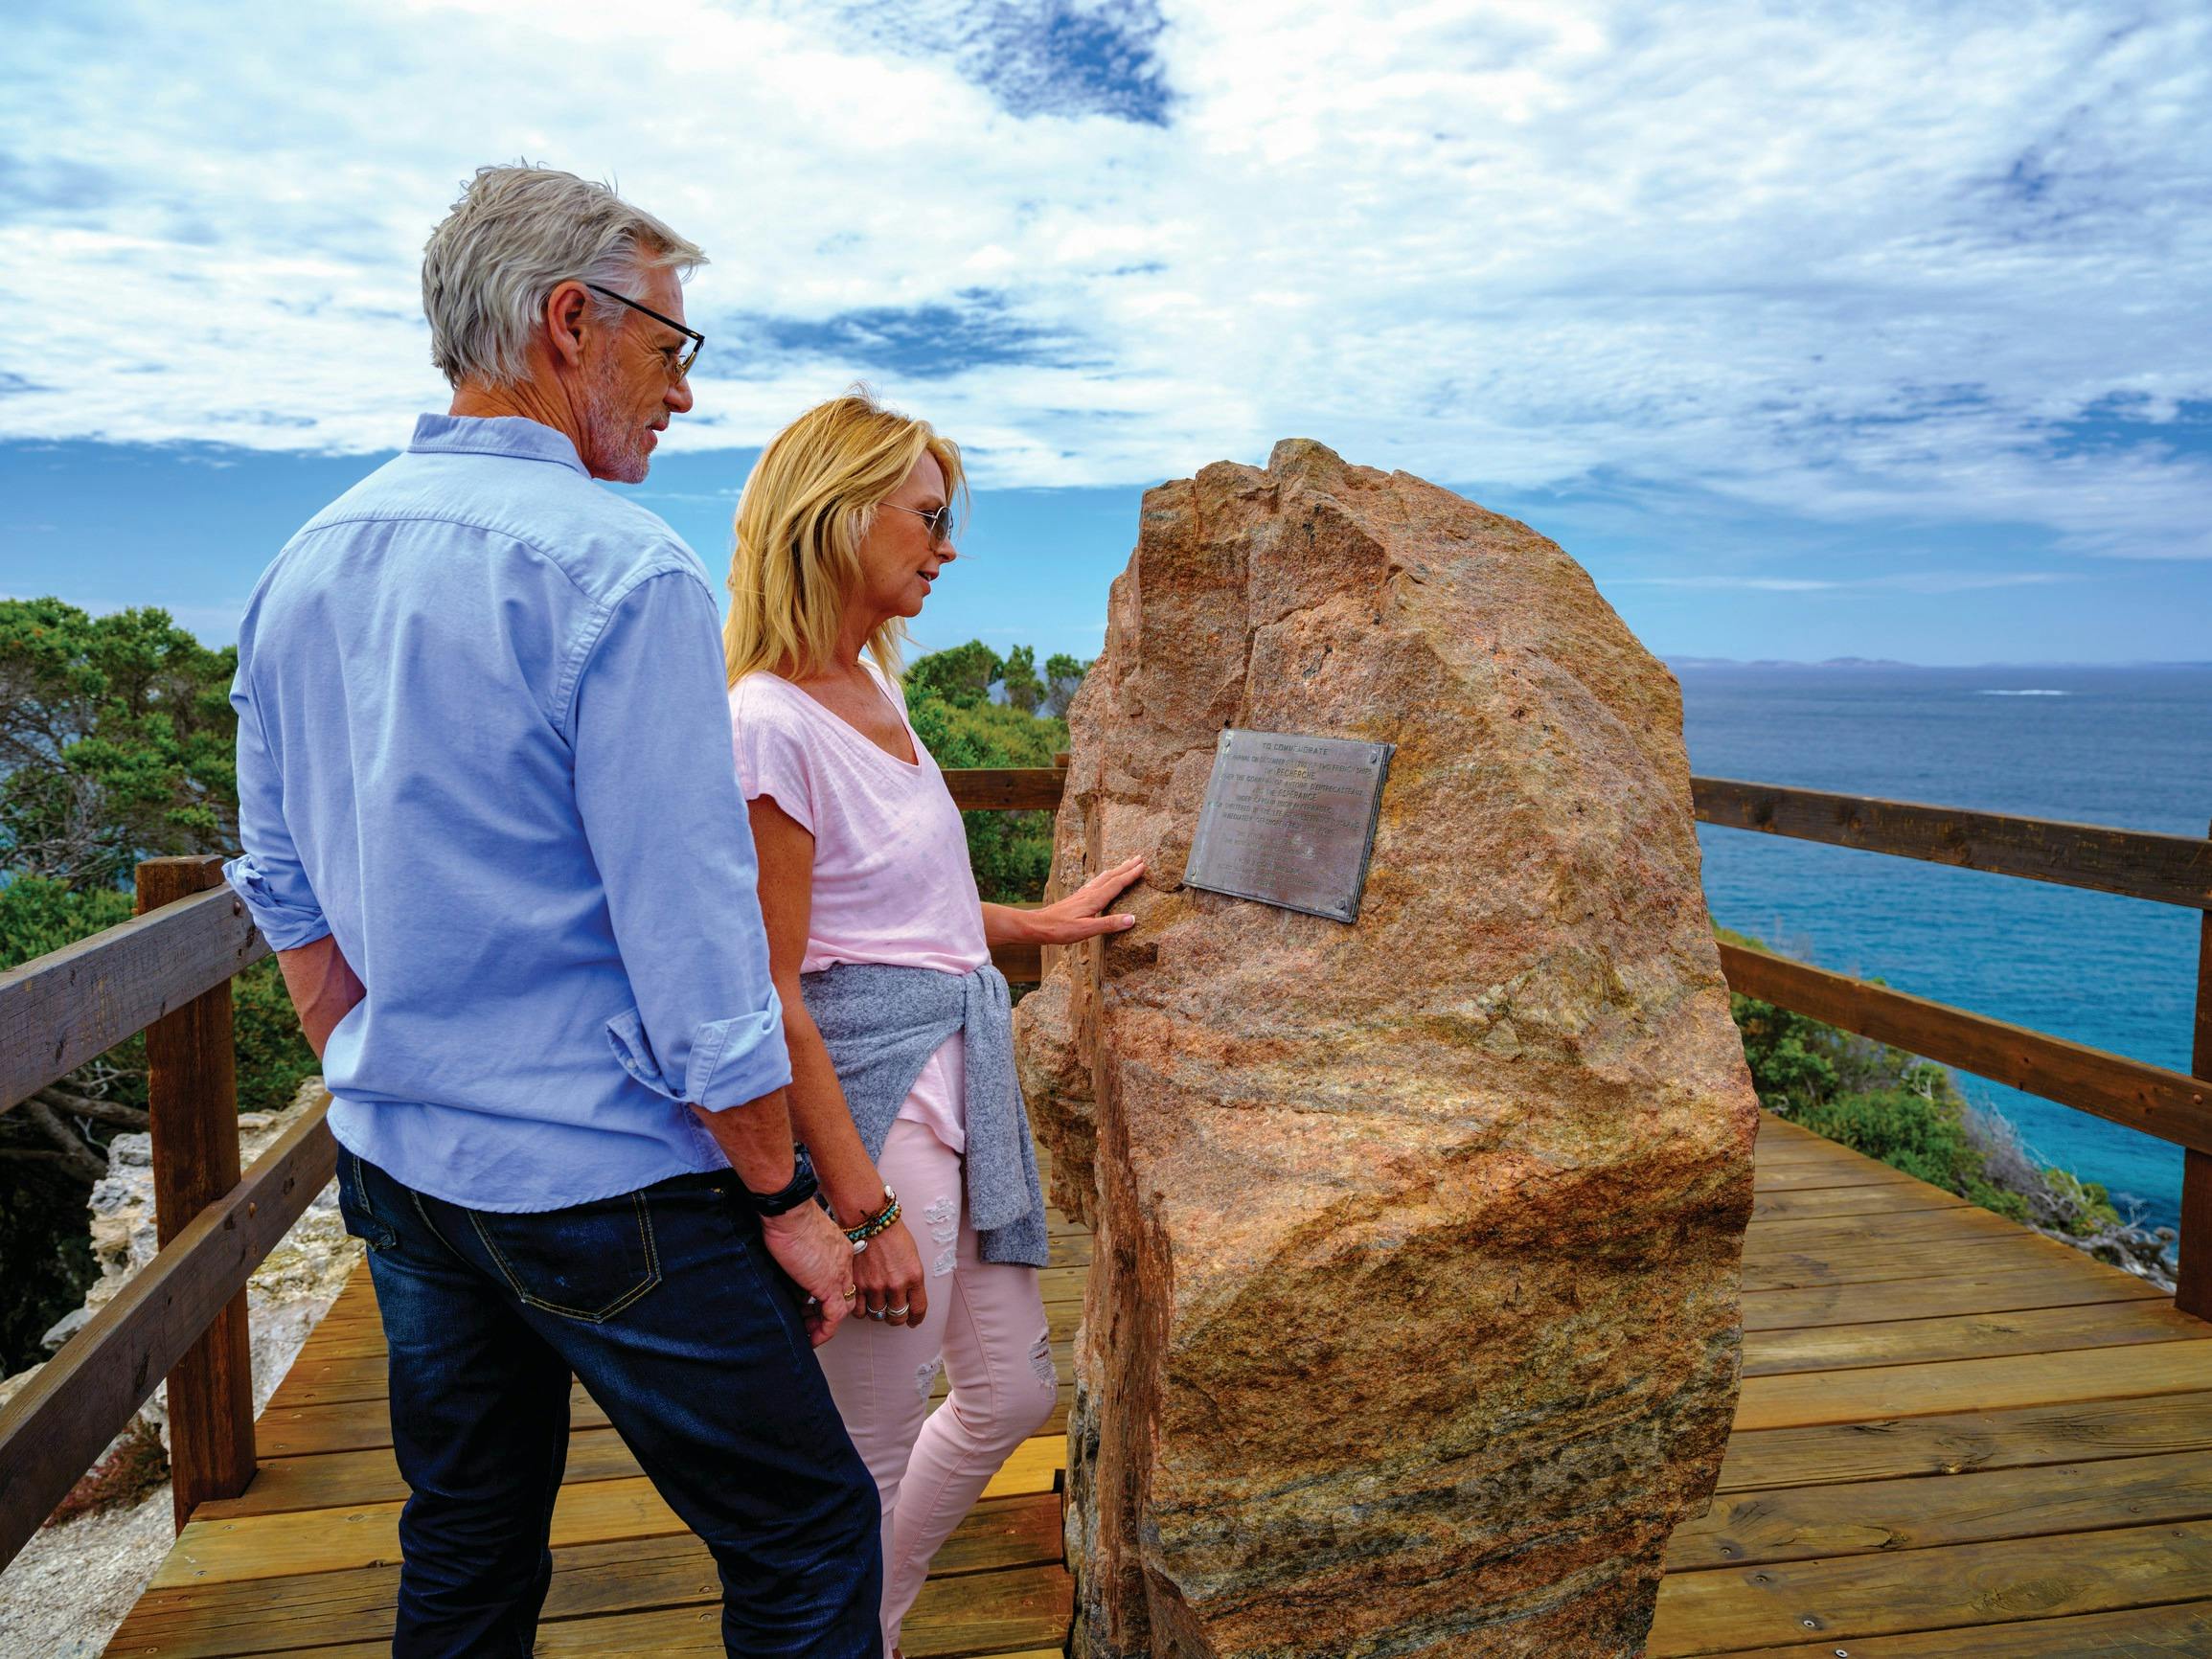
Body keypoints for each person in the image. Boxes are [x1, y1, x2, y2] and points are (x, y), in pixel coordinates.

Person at [224, 167, 880, 1658]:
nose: (683, 396)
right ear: (570, 321)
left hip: (400, 1161)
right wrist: (784, 1201)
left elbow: (278, 877)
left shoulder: (302, 562)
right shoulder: (616, 566)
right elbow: (694, 936)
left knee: (464, 1538)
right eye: (672, 350)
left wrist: (372, 1049)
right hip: (603, 1177)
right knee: (803, 1535)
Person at [723, 392, 1145, 1655]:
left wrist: (1045, 923)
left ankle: (871, 1614)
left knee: (1010, 1390)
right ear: (837, 516)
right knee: (872, 1434)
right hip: (872, 1092)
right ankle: (853, 1635)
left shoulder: (871, 686)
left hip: (960, 1064)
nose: (944, 545)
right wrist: (857, 1207)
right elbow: (775, 985)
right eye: (926, 516)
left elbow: (919, 913)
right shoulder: (765, 722)